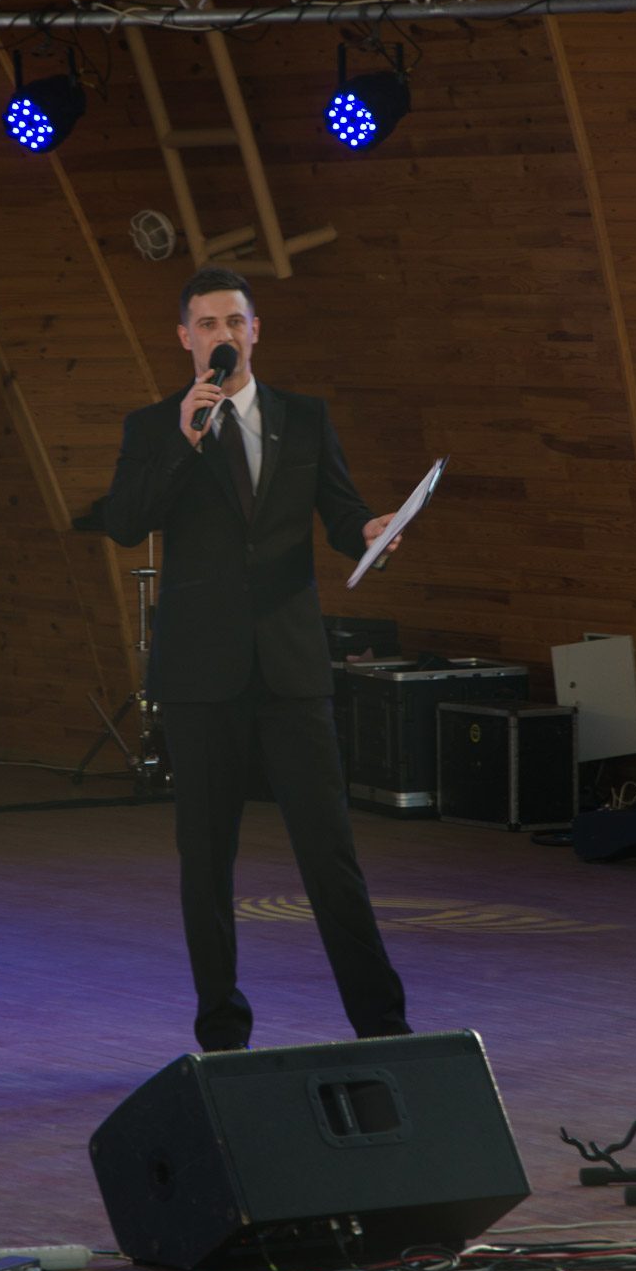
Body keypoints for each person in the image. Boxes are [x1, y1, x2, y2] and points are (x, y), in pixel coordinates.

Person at [104, 265, 410, 1051]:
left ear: (256, 331)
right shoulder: (155, 427)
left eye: (235, 322)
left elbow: (339, 509)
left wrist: (367, 530)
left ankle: (383, 1025)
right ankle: (223, 1033)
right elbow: (128, 519)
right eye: (208, 324)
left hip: (289, 666)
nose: (224, 336)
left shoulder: (304, 418)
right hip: (201, 672)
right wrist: (184, 439)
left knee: (329, 851)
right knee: (207, 859)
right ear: (185, 337)